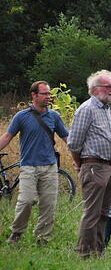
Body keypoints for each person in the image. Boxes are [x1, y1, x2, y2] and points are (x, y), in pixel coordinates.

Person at [1, 81, 69, 246]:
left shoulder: (54, 116)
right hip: (29, 166)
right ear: (34, 95)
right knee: (26, 200)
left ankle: (43, 239)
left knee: (48, 205)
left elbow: (67, 138)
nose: (49, 97)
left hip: (50, 167)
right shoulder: (21, 116)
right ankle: (17, 233)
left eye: (49, 94)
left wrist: (80, 154)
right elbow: (7, 137)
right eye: (45, 94)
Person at [68, 70, 111, 259]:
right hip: (93, 166)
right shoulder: (87, 109)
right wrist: (78, 163)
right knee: (92, 212)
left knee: (104, 213)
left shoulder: (105, 109)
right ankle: (84, 253)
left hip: (108, 167)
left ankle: (98, 251)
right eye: (108, 87)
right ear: (94, 89)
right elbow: (74, 142)